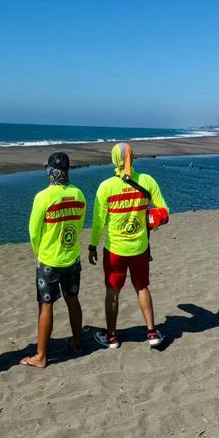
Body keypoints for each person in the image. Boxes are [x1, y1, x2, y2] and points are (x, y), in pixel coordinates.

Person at [89, 143, 169, 349]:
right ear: (132, 157)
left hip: (115, 249)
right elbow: (164, 211)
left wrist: (92, 245)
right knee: (142, 287)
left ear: (115, 159)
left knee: (112, 291)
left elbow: (98, 222)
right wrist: (149, 225)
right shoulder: (146, 180)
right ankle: (152, 332)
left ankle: (112, 337)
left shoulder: (106, 186)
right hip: (140, 248)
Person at [21, 152, 87, 369]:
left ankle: (41, 356)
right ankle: (77, 342)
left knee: (46, 304)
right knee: (72, 299)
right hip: (71, 257)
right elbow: (79, 225)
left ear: (50, 170)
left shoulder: (43, 196)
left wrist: (40, 252)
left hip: (50, 259)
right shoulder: (78, 194)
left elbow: (33, 231)